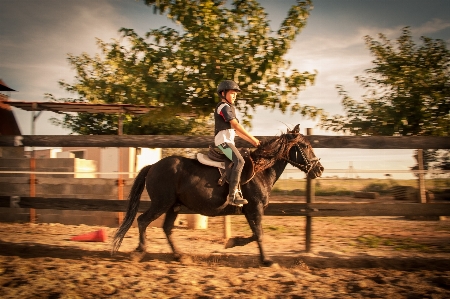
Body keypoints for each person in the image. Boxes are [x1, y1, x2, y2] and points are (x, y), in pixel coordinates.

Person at [214, 80, 260, 205]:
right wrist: (253, 138)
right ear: (223, 93)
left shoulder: (229, 108)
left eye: (236, 94)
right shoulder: (223, 107)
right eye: (232, 93)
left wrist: (252, 141)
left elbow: (237, 132)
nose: (235, 96)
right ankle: (232, 196)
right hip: (223, 142)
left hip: (228, 141)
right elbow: (236, 125)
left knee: (241, 159)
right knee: (239, 161)